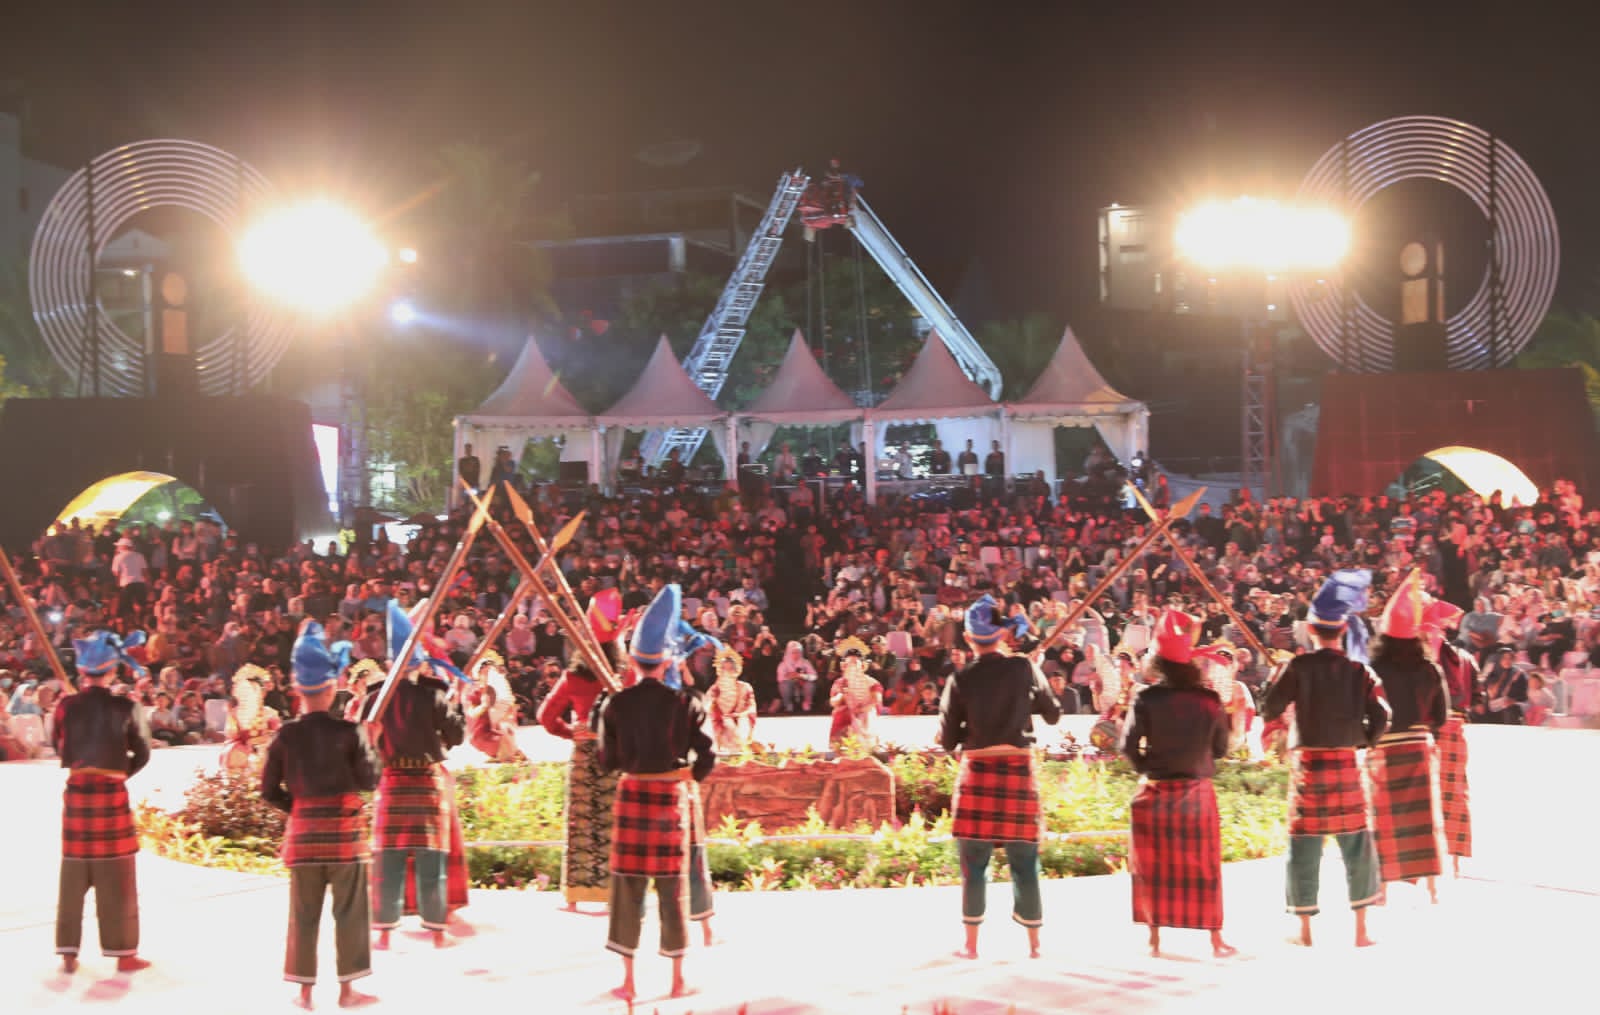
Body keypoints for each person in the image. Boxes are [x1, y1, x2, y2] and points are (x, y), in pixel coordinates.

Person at [598, 584, 715, 1001]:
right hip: (670, 799)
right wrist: (688, 776)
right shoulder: (687, 704)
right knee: (672, 889)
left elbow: (606, 761)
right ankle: (677, 980)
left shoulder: (615, 705)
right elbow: (708, 754)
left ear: (633, 660)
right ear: (666, 660)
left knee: (626, 890)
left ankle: (629, 981)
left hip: (632, 795)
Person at [1261, 570, 1389, 948]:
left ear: (1311, 631)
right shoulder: (1359, 671)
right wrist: (1364, 741)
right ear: (1342, 630)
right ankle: (1361, 931)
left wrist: (1275, 678)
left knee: (1304, 845)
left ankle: (1304, 931)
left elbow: (1269, 709)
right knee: (1357, 845)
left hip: (1310, 767)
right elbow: (1383, 714)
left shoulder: (1297, 667)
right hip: (1346, 762)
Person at [261, 621, 381, 1010]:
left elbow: (268, 790)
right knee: (350, 912)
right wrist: (372, 744)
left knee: (303, 914)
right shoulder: (351, 733)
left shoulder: (285, 735)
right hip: (345, 836)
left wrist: (297, 810)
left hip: (303, 836)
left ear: (297, 691)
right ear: (332, 689)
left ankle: (304, 992)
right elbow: (370, 781)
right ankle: (347, 991)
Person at [938, 594, 1061, 960]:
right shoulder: (1023, 667)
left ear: (969, 638)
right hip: (1018, 770)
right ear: (1003, 634)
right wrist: (1032, 678)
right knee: (1025, 861)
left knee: (973, 864)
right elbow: (1052, 713)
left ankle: (971, 945)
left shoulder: (960, 678)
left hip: (977, 771)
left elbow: (948, 740)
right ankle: (1035, 945)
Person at [1122, 609, 1236, 959]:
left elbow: (1127, 746)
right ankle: (1215, 938)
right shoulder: (1210, 700)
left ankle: (1154, 938)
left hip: (1156, 790)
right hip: (1197, 791)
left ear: (1158, 662)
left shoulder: (1145, 698)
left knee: (1152, 866)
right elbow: (1221, 748)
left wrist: (1148, 770)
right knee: (1206, 866)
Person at [53, 633, 152, 975]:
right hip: (111, 791)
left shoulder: (65, 706)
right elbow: (143, 752)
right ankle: (124, 954)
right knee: (118, 872)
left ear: (82, 671)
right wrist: (120, 773)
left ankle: (68, 953)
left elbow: (58, 744)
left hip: (78, 790)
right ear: (112, 671)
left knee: (74, 870)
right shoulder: (127, 707)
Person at [370, 602, 466, 951]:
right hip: (426, 782)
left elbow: (364, 739)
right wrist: (457, 705)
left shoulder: (375, 698)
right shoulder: (433, 695)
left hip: (392, 781)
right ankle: (437, 932)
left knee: (388, 860)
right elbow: (456, 736)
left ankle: (384, 932)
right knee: (431, 859)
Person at [1364, 570, 1449, 903]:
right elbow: (1440, 717)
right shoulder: (1430, 669)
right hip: (1418, 748)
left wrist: (1369, 740)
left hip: (1385, 749)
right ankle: (1433, 889)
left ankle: (1382, 890)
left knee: (1384, 820)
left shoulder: (1373, 670)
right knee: (1425, 820)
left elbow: (1365, 712)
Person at [537, 593, 620, 910]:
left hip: (585, 753)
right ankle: (613, 894)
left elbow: (546, 716)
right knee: (612, 822)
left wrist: (572, 732)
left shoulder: (572, 677)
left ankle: (574, 896)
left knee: (581, 823)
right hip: (614, 752)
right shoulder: (622, 675)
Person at [1421, 597, 1478, 876]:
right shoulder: (1466, 658)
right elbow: (1476, 698)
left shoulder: (1424, 657)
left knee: (1424, 794)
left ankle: (1428, 862)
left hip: (1431, 728)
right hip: (1457, 728)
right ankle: (1454, 859)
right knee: (1455, 792)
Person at [828, 636, 883, 747]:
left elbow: (876, 700)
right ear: (844, 666)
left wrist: (861, 709)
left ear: (862, 666)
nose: (852, 666)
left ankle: (866, 745)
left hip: (865, 710)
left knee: (865, 716)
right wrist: (842, 694)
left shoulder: (871, 682)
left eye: (855, 663)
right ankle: (840, 745)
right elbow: (833, 702)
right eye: (849, 663)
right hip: (847, 711)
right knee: (841, 713)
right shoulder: (840, 682)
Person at [707, 646, 757, 755]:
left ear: (736, 670)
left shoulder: (745, 687)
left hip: (740, 722)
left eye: (730, 669)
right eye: (724, 668)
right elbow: (707, 707)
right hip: (721, 725)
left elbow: (751, 707)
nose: (727, 672)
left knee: (741, 725)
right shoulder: (715, 688)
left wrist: (739, 714)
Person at [776, 640, 818, 713]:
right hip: (789, 686)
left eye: (798, 652)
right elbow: (780, 678)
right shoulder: (783, 664)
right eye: (793, 652)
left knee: (810, 685)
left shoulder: (805, 662)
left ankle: (807, 704)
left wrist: (802, 676)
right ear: (788, 652)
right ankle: (788, 705)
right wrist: (790, 676)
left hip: (802, 685)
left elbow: (814, 676)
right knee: (783, 685)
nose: (796, 654)